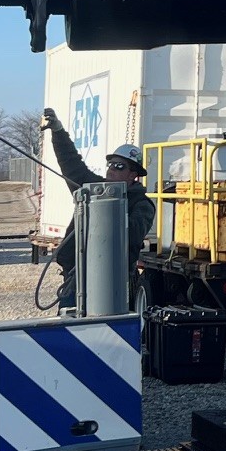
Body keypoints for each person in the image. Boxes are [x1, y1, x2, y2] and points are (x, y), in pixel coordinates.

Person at [43, 110, 157, 309]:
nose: (111, 168)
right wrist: (58, 132)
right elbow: (72, 165)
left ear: (133, 175)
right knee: (68, 325)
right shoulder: (93, 189)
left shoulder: (142, 205)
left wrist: (107, 206)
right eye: (110, 164)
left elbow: (132, 233)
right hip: (76, 275)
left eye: (119, 166)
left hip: (113, 284)